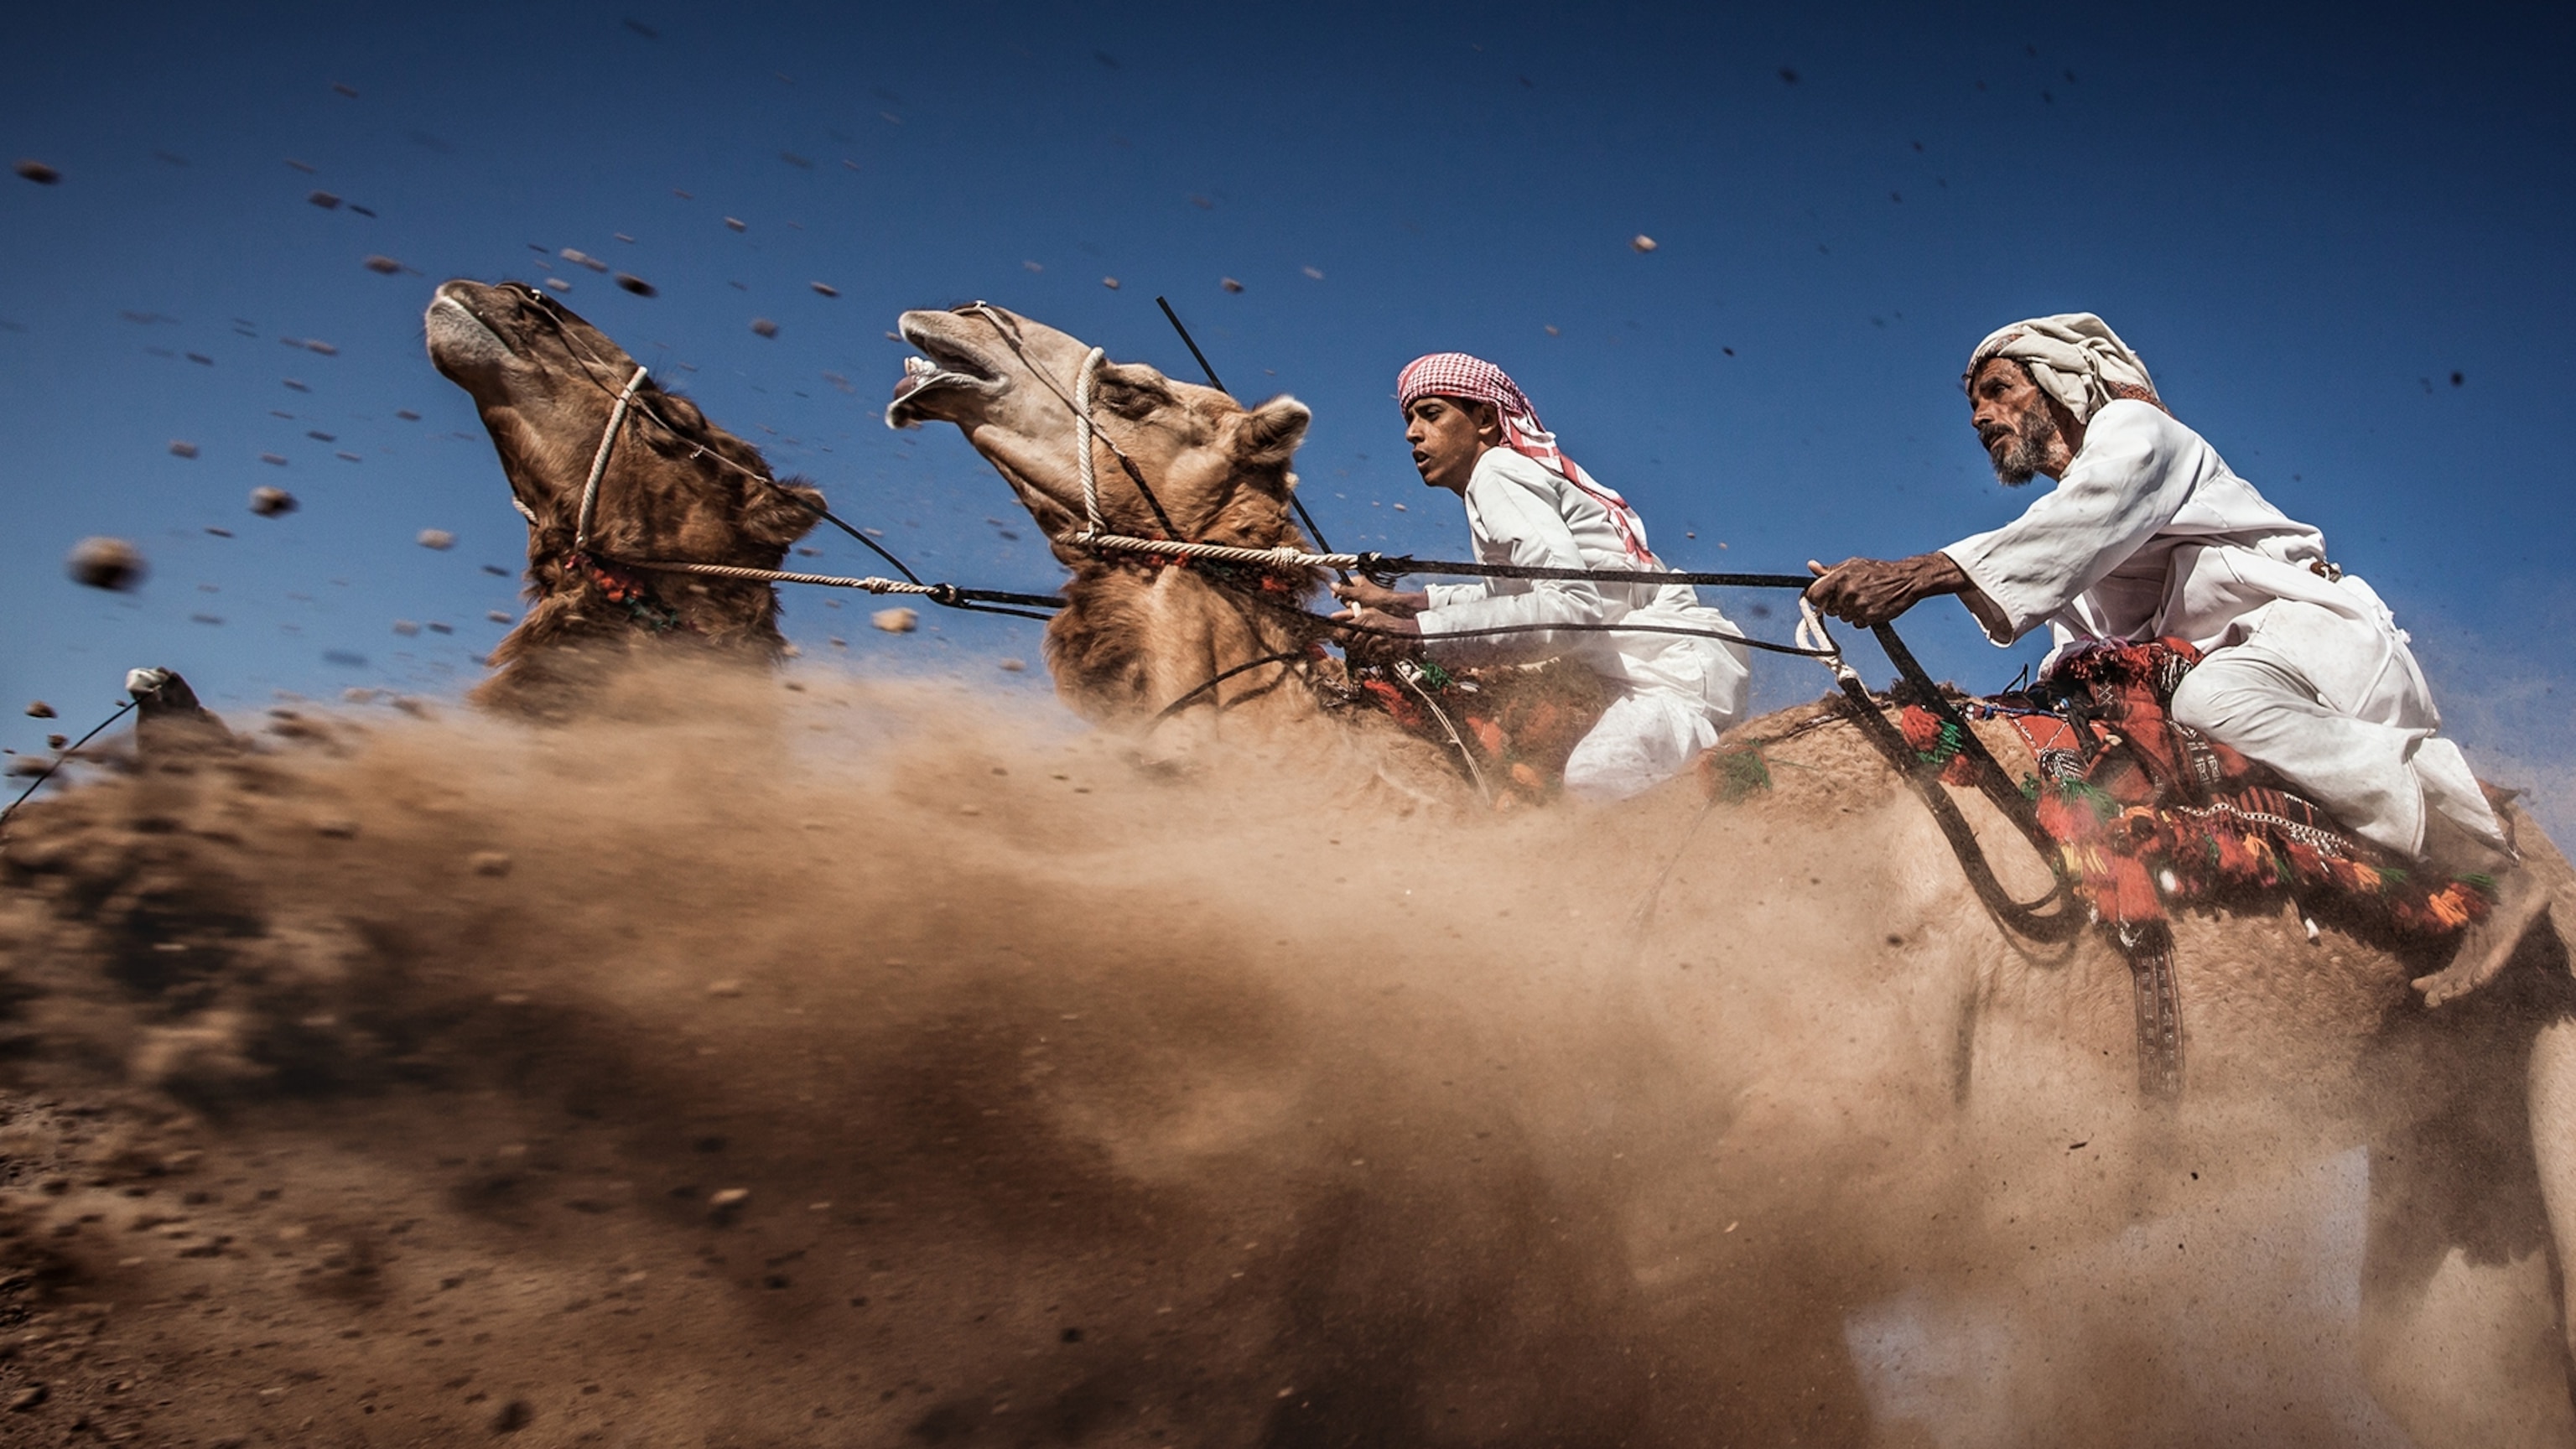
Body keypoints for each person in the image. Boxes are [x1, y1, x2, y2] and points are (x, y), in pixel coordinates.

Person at [1804, 313, 2547, 1000]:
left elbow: (2078, 522)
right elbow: (2081, 636)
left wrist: (1920, 573)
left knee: (2212, 701)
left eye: (1998, 391)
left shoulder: (2139, 435)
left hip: (2303, 638)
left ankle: (2482, 864)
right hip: (2227, 660)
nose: (1978, 417)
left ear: (2062, 380)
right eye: (1974, 405)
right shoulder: (2077, 525)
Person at [1333, 352, 1750, 801]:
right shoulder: (1503, 478)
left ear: (1486, 420)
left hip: (1674, 674)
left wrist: (1415, 634)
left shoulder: (1497, 472)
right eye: (1410, 420)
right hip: (1637, 668)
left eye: (1431, 414)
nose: (1412, 432)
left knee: (1598, 777)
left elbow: (1571, 605)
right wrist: (1413, 603)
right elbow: (1522, 595)